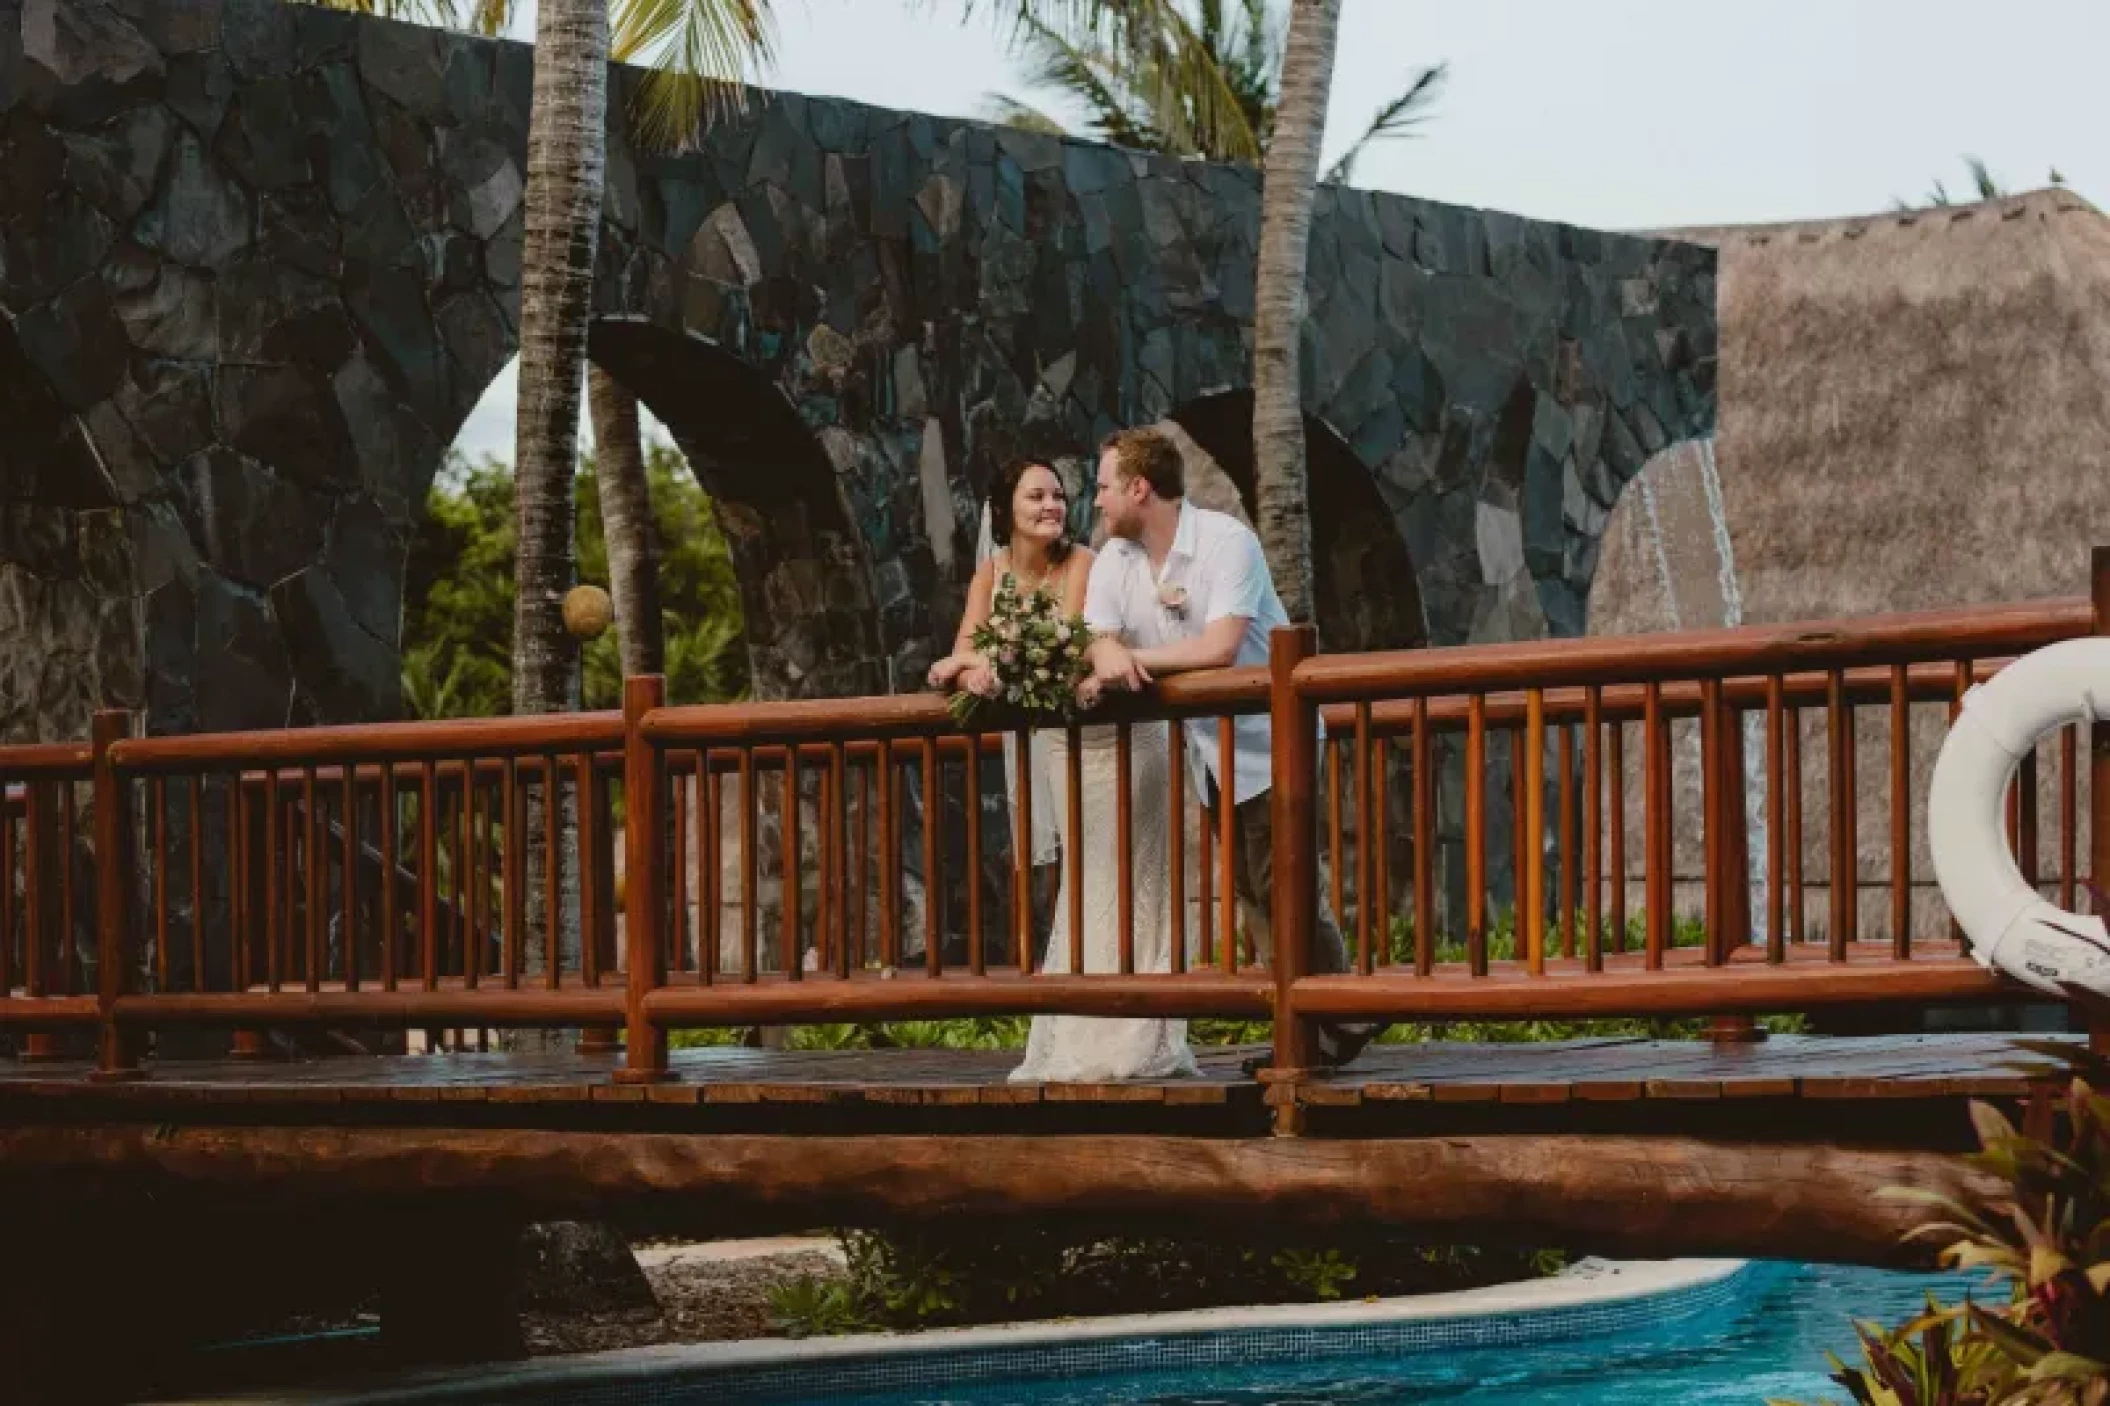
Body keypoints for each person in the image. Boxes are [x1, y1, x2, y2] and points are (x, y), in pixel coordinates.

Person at [1075, 426, 1381, 1072]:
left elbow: (1219, 646)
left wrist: (1134, 660)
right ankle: (1320, 1018)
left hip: (1272, 738)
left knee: (1284, 879)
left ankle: (1334, 1012)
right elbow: (1096, 636)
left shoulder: (1225, 543)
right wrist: (1108, 655)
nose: (1096, 500)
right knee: (1249, 884)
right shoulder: (1115, 559)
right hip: (1211, 750)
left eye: (1104, 486)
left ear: (1139, 487)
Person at [933, 462, 1194, 1084]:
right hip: (1062, 746)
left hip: (1121, 739)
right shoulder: (989, 574)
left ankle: (1140, 1037)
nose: (1052, 505)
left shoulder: (1084, 563)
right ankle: (1083, 1032)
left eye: (1059, 495)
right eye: (1036, 495)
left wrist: (983, 661)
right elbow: (967, 646)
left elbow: (1066, 642)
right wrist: (970, 670)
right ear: (1006, 507)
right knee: (1084, 883)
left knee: (1134, 882)